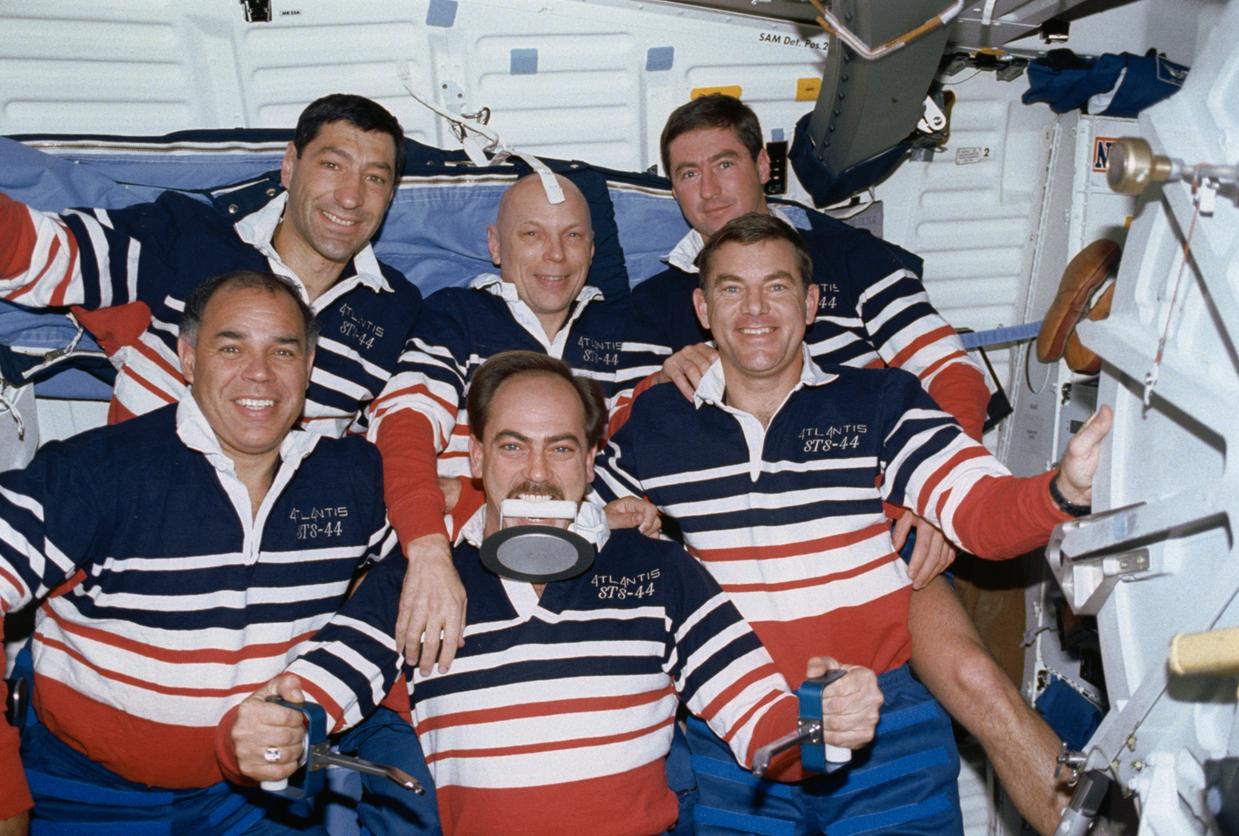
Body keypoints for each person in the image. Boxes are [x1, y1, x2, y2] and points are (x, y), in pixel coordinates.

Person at [626, 94, 1074, 832]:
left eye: (726, 164)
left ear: (766, 167)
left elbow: (955, 378)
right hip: (745, 534)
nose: (708, 190)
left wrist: (918, 501)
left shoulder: (853, 261)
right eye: (686, 174)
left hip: (881, 510)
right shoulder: (653, 307)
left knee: (975, 681)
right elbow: (624, 438)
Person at [232, 350, 886, 835]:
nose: (538, 475)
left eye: (562, 449)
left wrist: (827, 721)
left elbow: (769, 737)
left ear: (592, 460)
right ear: (479, 460)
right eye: (513, 447)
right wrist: (267, 735)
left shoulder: (661, 574)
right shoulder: (417, 586)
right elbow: (291, 710)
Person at [0, 93, 468, 687]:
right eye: (333, 165)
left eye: (376, 177)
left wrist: (429, 530)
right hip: (132, 553)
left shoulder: (397, 309)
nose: (352, 197)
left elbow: (399, 436)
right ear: (289, 165)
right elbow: (42, 256)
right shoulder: (188, 241)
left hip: (273, 600)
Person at [0, 271, 420, 831]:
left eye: (283, 350)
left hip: (258, 806)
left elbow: (421, 562)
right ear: (188, 358)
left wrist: (322, 688)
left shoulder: (353, 478)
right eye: (232, 346)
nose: (260, 373)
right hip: (84, 792)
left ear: (310, 363)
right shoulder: (97, 470)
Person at [367, 171, 658, 550]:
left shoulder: (628, 330)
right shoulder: (456, 314)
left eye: (572, 235)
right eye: (532, 234)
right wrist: (428, 545)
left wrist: (470, 496)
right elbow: (404, 427)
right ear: (496, 246)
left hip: (590, 550)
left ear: (591, 249)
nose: (555, 254)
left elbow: (643, 455)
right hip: (462, 550)